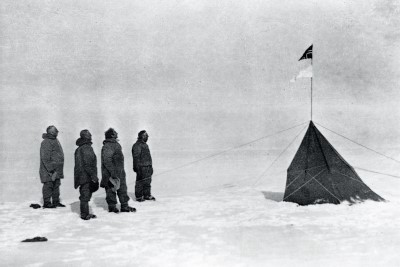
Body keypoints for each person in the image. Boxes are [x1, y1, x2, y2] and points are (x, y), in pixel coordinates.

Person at [100, 128, 136, 213]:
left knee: (122, 188)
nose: (117, 133)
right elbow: (107, 160)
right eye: (115, 133)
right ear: (112, 135)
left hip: (119, 172)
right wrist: (113, 172)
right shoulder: (108, 145)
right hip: (110, 173)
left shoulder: (116, 144)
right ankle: (112, 208)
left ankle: (125, 206)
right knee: (110, 189)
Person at [74, 130, 98, 220]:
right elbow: (88, 164)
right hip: (86, 176)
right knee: (85, 195)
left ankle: (85, 213)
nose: (91, 135)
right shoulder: (86, 148)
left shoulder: (79, 148)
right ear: (85, 136)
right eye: (89, 134)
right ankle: (84, 214)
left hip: (81, 176)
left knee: (85, 194)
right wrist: (93, 176)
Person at [39, 125, 65, 208]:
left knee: (56, 185)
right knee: (48, 185)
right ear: (51, 132)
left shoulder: (55, 140)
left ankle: (55, 202)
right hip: (48, 171)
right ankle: (47, 203)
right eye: (55, 131)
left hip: (56, 170)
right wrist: (51, 170)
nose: (57, 132)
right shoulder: (46, 142)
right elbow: (45, 158)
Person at [132, 130, 156, 202]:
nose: (147, 137)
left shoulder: (145, 145)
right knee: (140, 182)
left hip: (147, 167)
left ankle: (147, 195)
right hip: (141, 167)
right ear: (142, 136)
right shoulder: (137, 145)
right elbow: (136, 157)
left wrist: (150, 166)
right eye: (146, 136)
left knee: (147, 181)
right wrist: (137, 167)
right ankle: (139, 196)